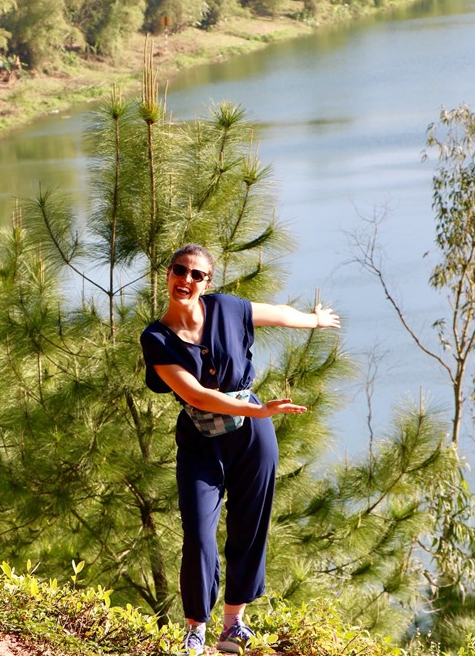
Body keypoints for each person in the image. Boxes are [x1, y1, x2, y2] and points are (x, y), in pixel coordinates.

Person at [140, 244, 341, 655]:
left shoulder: (228, 308)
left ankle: (233, 623)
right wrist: (257, 407)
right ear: (168, 274)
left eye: (198, 275)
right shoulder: (156, 338)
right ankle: (197, 626)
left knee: (250, 525)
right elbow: (197, 395)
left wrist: (314, 320)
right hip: (201, 441)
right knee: (198, 534)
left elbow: (278, 314)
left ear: (207, 282)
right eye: (181, 271)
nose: (187, 280)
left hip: (252, 437)